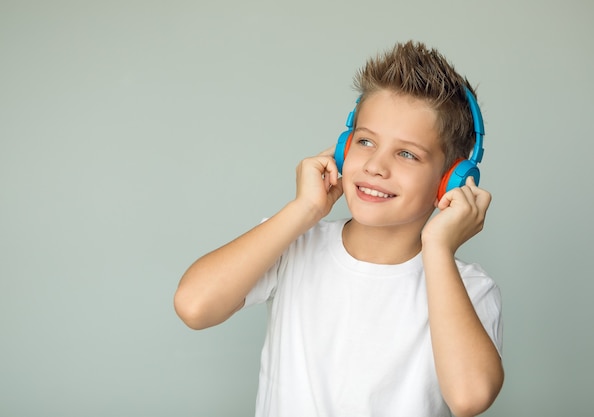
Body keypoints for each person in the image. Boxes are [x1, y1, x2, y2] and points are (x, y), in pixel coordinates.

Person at [174, 41, 503, 417]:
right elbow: (193, 306)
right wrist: (304, 209)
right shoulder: (293, 243)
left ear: (452, 180)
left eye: (407, 153)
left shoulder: (469, 288)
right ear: (344, 149)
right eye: (365, 142)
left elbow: (469, 398)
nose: (376, 166)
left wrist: (438, 248)